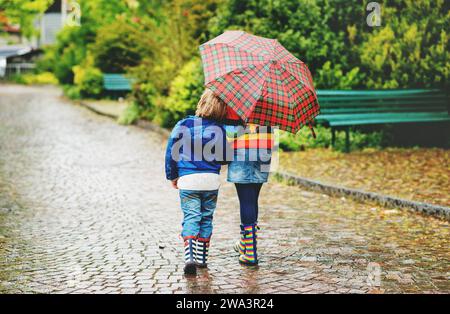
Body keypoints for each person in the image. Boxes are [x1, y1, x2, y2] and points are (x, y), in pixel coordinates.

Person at [165, 89, 229, 275]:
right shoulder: (219, 129)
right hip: (210, 180)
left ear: (201, 103)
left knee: (191, 216)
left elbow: (171, 153)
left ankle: (189, 257)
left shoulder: (183, 124)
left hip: (188, 179)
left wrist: (173, 176)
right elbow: (225, 157)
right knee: (206, 217)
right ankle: (202, 259)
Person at [224, 108, 274, 266]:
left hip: (243, 151)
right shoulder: (269, 100)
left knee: (246, 201)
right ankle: (245, 243)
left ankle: (250, 253)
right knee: (252, 199)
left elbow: (231, 135)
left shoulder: (237, 101)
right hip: (264, 150)